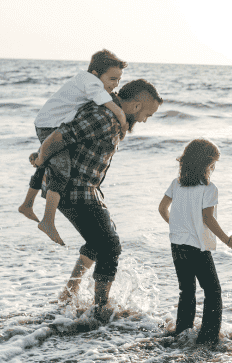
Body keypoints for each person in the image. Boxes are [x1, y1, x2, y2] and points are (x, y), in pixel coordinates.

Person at [30, 79, 163, 320]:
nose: (145, 120)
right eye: (147, 114)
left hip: (86, 189)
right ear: (134, 106)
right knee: (110, 245)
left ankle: (69, 293)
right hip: (73, 190)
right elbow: (60, 136)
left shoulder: (113, 118)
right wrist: (40, 159)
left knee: (98, 240)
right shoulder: (104, 117)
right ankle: (101, 307)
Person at [19, 49, 129, 246]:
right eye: (112, 79)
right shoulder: (91, 82)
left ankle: (27, 204)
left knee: (47, 163)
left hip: (49, 122)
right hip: (49, 126)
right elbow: (106, 102)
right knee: (62, 170)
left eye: (118, 81)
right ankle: (48, 220)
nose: (115, 85)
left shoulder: (86, 81)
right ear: (96, 74)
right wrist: (121, 116)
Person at [157, 139, 232, 345]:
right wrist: (228, 240)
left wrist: (177, 226)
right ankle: (209, 336)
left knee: (187, 290)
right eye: (214, 163)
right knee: (213, 291)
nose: (214, 167)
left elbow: (162, 209)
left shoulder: (176, 184)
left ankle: (183, 332)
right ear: (206, 164)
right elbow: (208, 218)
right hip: (197, 247)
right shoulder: (209, 188)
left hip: (176, 244)